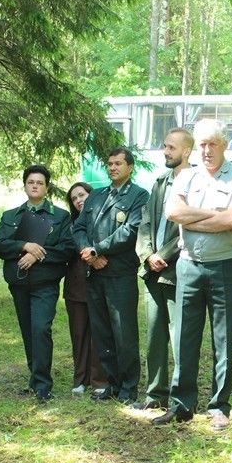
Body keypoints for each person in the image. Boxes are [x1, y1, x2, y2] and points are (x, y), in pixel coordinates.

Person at [152, 119, 232, 430]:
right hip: (188, 266)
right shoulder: (188, 176)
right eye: (203, 145)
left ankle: (219, 406)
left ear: (224, 145)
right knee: (184, 337)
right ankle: (181, 404)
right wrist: (215, 215)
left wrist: (196, 218)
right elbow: (173, 213)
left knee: (223, 340)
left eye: (213, 144)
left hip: (226, 266)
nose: (207, 150)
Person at [73, 147, 149, 404]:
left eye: (118, 164)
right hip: (94, 273)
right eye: (109, 164)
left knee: (124, 333)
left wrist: (99, 249)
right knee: (102, 331)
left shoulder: (138, 196)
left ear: (130, 167)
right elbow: (80, 227)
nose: (113, 168)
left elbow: (130, 231)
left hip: (120, 274)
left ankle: (129, 387)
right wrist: (90, 254)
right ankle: (112, 384)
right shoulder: (96, 196)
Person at [0, 165, 73, 402]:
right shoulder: (10, 216)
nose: (35, 185)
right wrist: (23, 246)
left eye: (39, 182)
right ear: (25, 185)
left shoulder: (60, 216)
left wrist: (38, 253)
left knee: (40, 329)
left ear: (47, 187)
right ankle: (35, 378)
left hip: (45, 284)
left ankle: (43, 384)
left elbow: (66, 249)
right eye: (31, 182)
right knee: (28, 331)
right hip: (18, 283)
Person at [134, 128, 193, 410]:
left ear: (187, 151)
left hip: (177, 270)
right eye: (164, 146)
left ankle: (180, 398)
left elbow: (190, 228)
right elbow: (145, 222)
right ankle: (155, 394)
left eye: (171, 147)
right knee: (154, 334)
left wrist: (163, 255)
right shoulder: (159, 182)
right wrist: (147, 254)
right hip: (152, 270)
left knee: (178, 336)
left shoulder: (196, 183)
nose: (165, 151)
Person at [63, 182, 109, 396]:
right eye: (74, 198)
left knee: (99, 333)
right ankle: (80, 379)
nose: (79, 200)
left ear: (92, 195)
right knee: (79, 333)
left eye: (82, 195)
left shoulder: (104, 219)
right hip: (76, 286)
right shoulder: (69, 224)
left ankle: (99, 379)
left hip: (102, 283)